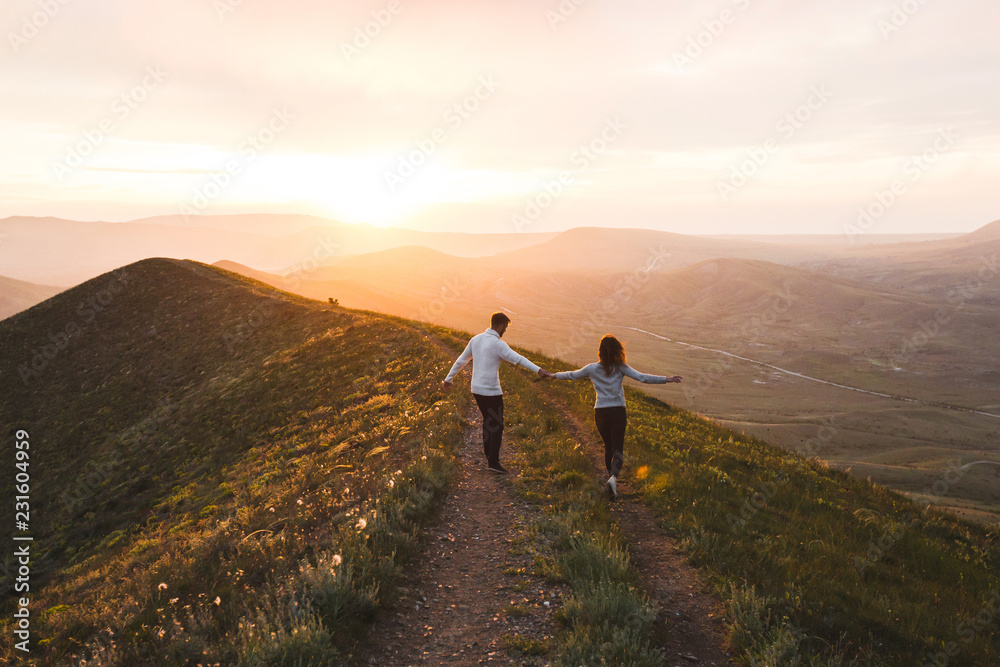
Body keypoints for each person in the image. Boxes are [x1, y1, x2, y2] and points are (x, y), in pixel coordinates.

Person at [553, 334, 681, 498]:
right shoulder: (620, 367)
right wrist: (667, 379)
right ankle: (613, 479)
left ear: (600, 351)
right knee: (618, 449)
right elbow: (642, 378)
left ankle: (610, 478)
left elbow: (572, 375)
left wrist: (553, 375)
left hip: (600, 411)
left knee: (608, 446)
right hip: (617, 411)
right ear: (616, 351)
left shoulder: (591, 368)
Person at [442, 312, 555, 473]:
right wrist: (538, 370)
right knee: (497, 424)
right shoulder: (498, 344)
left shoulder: (476, 340)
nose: (505, 331)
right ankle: (493, 462)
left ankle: (489, 455)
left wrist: (449, 379)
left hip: (476, 390)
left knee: (488, 420)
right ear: (501, 326)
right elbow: (518, 359)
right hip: (491, 392)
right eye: (506, 328)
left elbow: (461, 360)